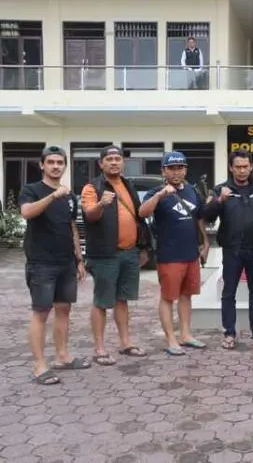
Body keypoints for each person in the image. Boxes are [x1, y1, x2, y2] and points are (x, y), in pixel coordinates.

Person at [18, 146, 90, 385]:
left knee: (64, 309)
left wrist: (78, 259)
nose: (56, 166)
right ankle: (39, 366)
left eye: (60, 162)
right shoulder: (31, 190)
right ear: (42, 165)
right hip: (41, 263)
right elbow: (27, 213)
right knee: (41, 312)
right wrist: (52, 196)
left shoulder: (69, 196)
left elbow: (72, 227)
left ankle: (62, 356)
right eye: (51, 162)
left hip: (66, 262)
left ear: (65, 166)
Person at [81, 145, 151, 366]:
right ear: (101, 163)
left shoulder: (128, 185)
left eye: (117, 159)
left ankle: (125, 343)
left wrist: (143, 247)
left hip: (129, 252)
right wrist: (101, 203)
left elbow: (138, 217)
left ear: (123, 162)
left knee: (122, 299)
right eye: (109, 159)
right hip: (105, 254)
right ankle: (99, 349)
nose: (114, 162)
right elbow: (90, 215)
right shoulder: (92, 187)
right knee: (102, 301)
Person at [139, 152, 209, 356]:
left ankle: (185, 335)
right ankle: (171, 339)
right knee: (168, 297)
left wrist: (205, 243)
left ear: (185, 170)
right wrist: (161, 195)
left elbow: (199, 218)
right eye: (171, 168)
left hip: (191, 253)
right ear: (163, 171)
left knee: (187, 295)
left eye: (180, 168)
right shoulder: (156, 191)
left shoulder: (192, 190)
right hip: (169, 255)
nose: (176, 172)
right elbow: (142, 212)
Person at [202, 151, 253, 349]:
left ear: (251, 167)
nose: (242, 170)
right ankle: (229, 333)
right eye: (238, 167)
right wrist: (219, 201)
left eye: (245, 166)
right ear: (231, 168)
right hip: (232, 249)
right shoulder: (221, 190)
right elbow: (206, 216)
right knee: (229, 291)